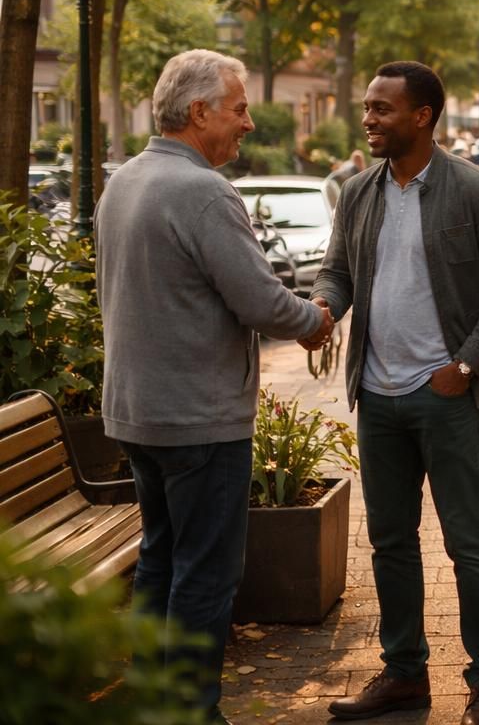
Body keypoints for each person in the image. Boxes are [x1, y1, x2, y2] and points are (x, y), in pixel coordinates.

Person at [97, 49, 332, 723]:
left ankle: (152, 702)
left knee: (160, 563)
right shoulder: (202, 191)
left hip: (138, 415)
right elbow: (260, 302)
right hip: (199, 419)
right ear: (199, 113)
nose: (249, 124)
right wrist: (313, 320)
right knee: (204, 575)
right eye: (239, 108)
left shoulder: (126, 180)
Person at [311, 61, 479, 725]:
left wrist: (464, 366)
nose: (369, 119)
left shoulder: (475, 190)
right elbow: (337, 272)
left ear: (422, 116)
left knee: (469, 540)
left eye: (382, 109)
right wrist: (321, 308)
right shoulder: (357, 192)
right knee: (390, 541)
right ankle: (404, 674)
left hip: (449, 397)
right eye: (368, 108)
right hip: (376, 395)